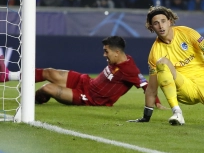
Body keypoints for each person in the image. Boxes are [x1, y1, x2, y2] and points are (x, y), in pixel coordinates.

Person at [0, 36, 163, 108]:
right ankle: (8, 76)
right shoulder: (119, 59)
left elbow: (146, 85)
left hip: (90, 98)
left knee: (48, 88)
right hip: (85, 82)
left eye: (106, 52)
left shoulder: (130, 69)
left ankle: (32, 100)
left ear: (117, 53)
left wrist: (157, 103)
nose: (104, 55)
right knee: (49, 72)